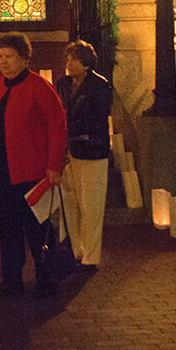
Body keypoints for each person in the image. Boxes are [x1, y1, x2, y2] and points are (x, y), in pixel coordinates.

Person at [0, 32, 67, 298]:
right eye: (0, 56)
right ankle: (11, 279)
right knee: (7, 229)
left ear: (24, 58)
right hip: (2, 170)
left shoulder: (38, 86)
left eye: (9, 56)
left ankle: (47, 277)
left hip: (30, 172)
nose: (3, 62)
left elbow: (57, 125)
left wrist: (54, 166)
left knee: (37, 228)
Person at [55, 40, 112, 269]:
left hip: (91, 151)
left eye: (73, 59)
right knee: (71, 203)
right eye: (68, 59)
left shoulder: (100, 86)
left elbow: (97, 118)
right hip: (68, 151)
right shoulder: (63, 84)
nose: (68, 64)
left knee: (91, 205)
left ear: (86, 63)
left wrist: (69, 128)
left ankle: (91, 254)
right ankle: (76, 249)